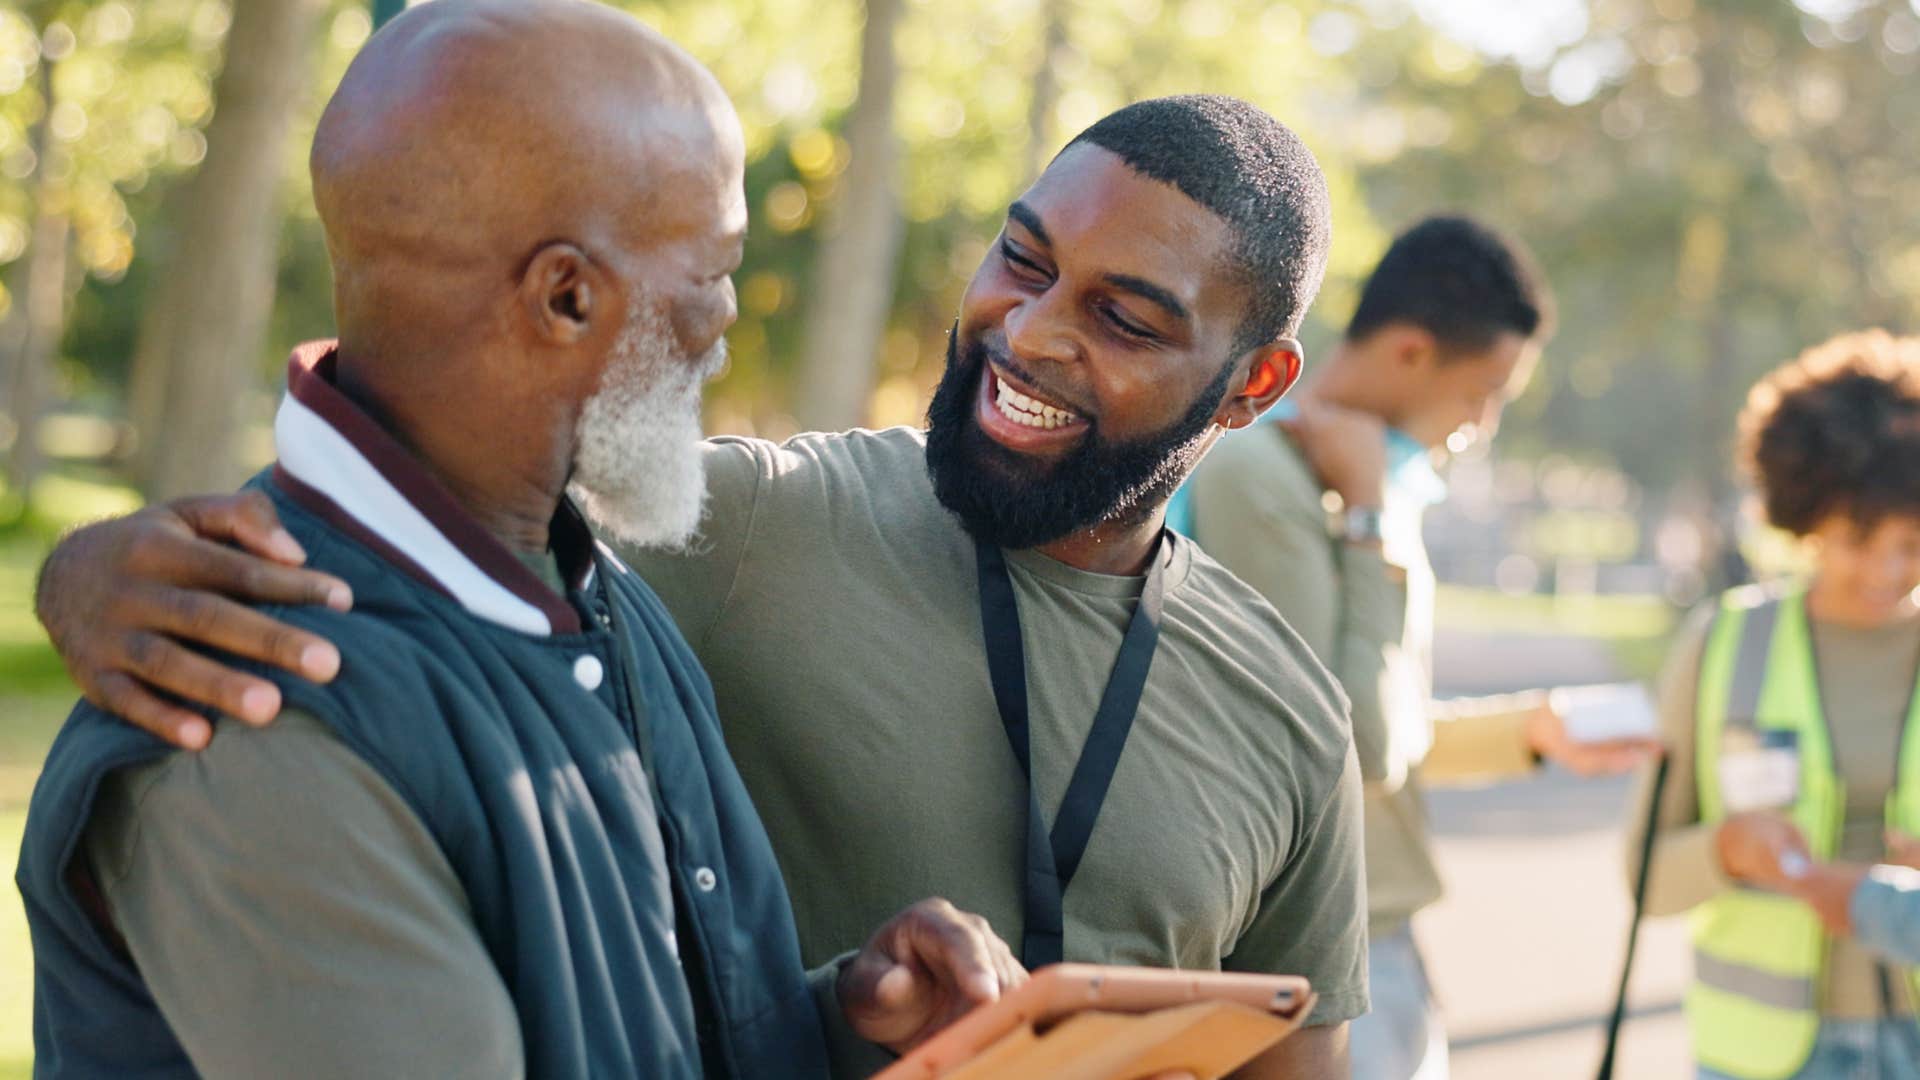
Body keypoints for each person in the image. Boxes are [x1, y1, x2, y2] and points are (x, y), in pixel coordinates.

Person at [29, 93, 1368, 1076]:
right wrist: (84, 572)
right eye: (1024, 258)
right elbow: (407, 493)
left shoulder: (1289, 721)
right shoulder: (752, 518)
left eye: (1128, 318)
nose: (1031, 329)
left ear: (1253, 383)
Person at [15, 3, 1026, 1076]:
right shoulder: (249, 707)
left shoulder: (593, 593)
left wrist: (844, 1026)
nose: (727, 315)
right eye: (713, 265)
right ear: (566, 296)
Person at [1183, 215, 1655, 1080]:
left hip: (1381, 939)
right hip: (1311, 960)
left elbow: (1382, 718)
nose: (1483, 425)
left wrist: (1530, 733)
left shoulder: (1367, 477)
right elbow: (1352, 744)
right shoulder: (1265, 474)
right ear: (1408, 352)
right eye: (1485, 390)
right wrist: (1368, 521)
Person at [1629, 329, 1920, 1079]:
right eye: (1861, 539)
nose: (1890, 570)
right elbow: (1645, 879)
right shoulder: (1723, 643)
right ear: (1811, 514)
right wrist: (1725, 849)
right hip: (1759, 1059)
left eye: (1915, 542)